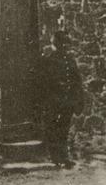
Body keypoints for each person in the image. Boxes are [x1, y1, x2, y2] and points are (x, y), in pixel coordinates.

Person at [36, 30, 87, 170]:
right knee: (54, 130)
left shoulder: (69, 60)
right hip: (55, 102)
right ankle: (56, 158)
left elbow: (77, 81)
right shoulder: (49, 61)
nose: (64, 46)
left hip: (67, 102)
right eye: (62, 43)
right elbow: (44, 84)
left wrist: (78, 101)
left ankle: (64, 157)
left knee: (63, 130)